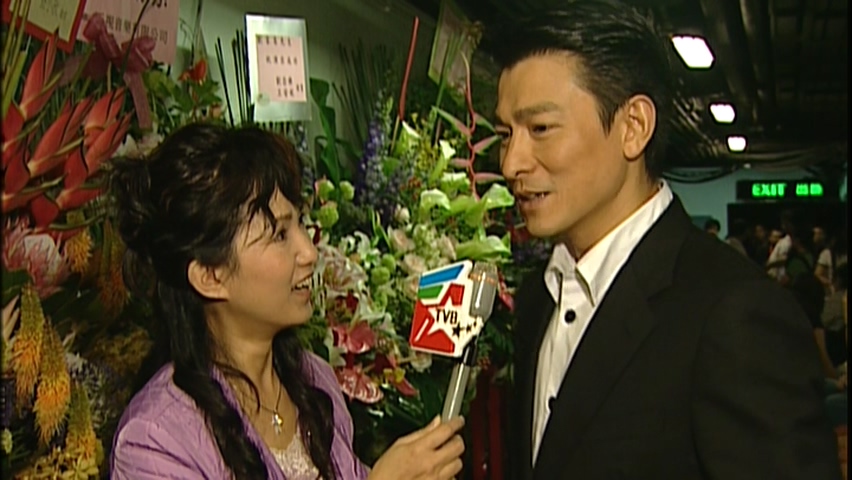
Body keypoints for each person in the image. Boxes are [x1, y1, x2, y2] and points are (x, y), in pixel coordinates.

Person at [491, 1, 841, 478]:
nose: (512, 162)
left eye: (540, 129)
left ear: (633, 127)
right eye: (505, 133)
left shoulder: (733, 314)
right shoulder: (537, 299)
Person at [108, 124, 465, 479]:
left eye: (300, 223)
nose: (309, 252)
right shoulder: (155, 441)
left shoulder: (315, 381)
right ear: (211, 276)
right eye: (279, 234)